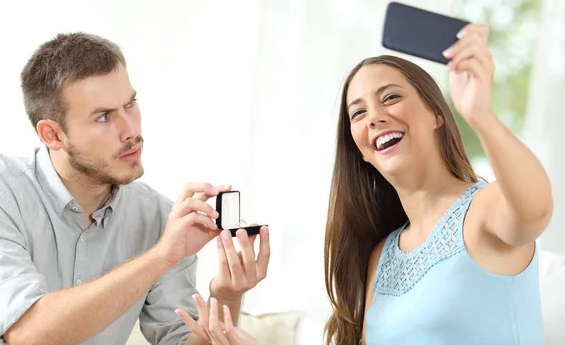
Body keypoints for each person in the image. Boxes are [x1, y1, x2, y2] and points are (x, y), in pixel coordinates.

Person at [179, 23, 552, 345]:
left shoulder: (483, 211)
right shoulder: (382, 256)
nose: (375, 117)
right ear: (362, 152)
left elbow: (535, 211)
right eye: (359, 113)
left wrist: (479, 113)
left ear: (437, 114)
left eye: (390, 98)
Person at [0, 32, 270, 345]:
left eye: (130, 104)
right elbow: (28, 333)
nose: (131, 130)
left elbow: (181, 340)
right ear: (52, 134)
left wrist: (226, 297)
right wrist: (162, 255)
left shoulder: (157, 216)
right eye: (104, 117)